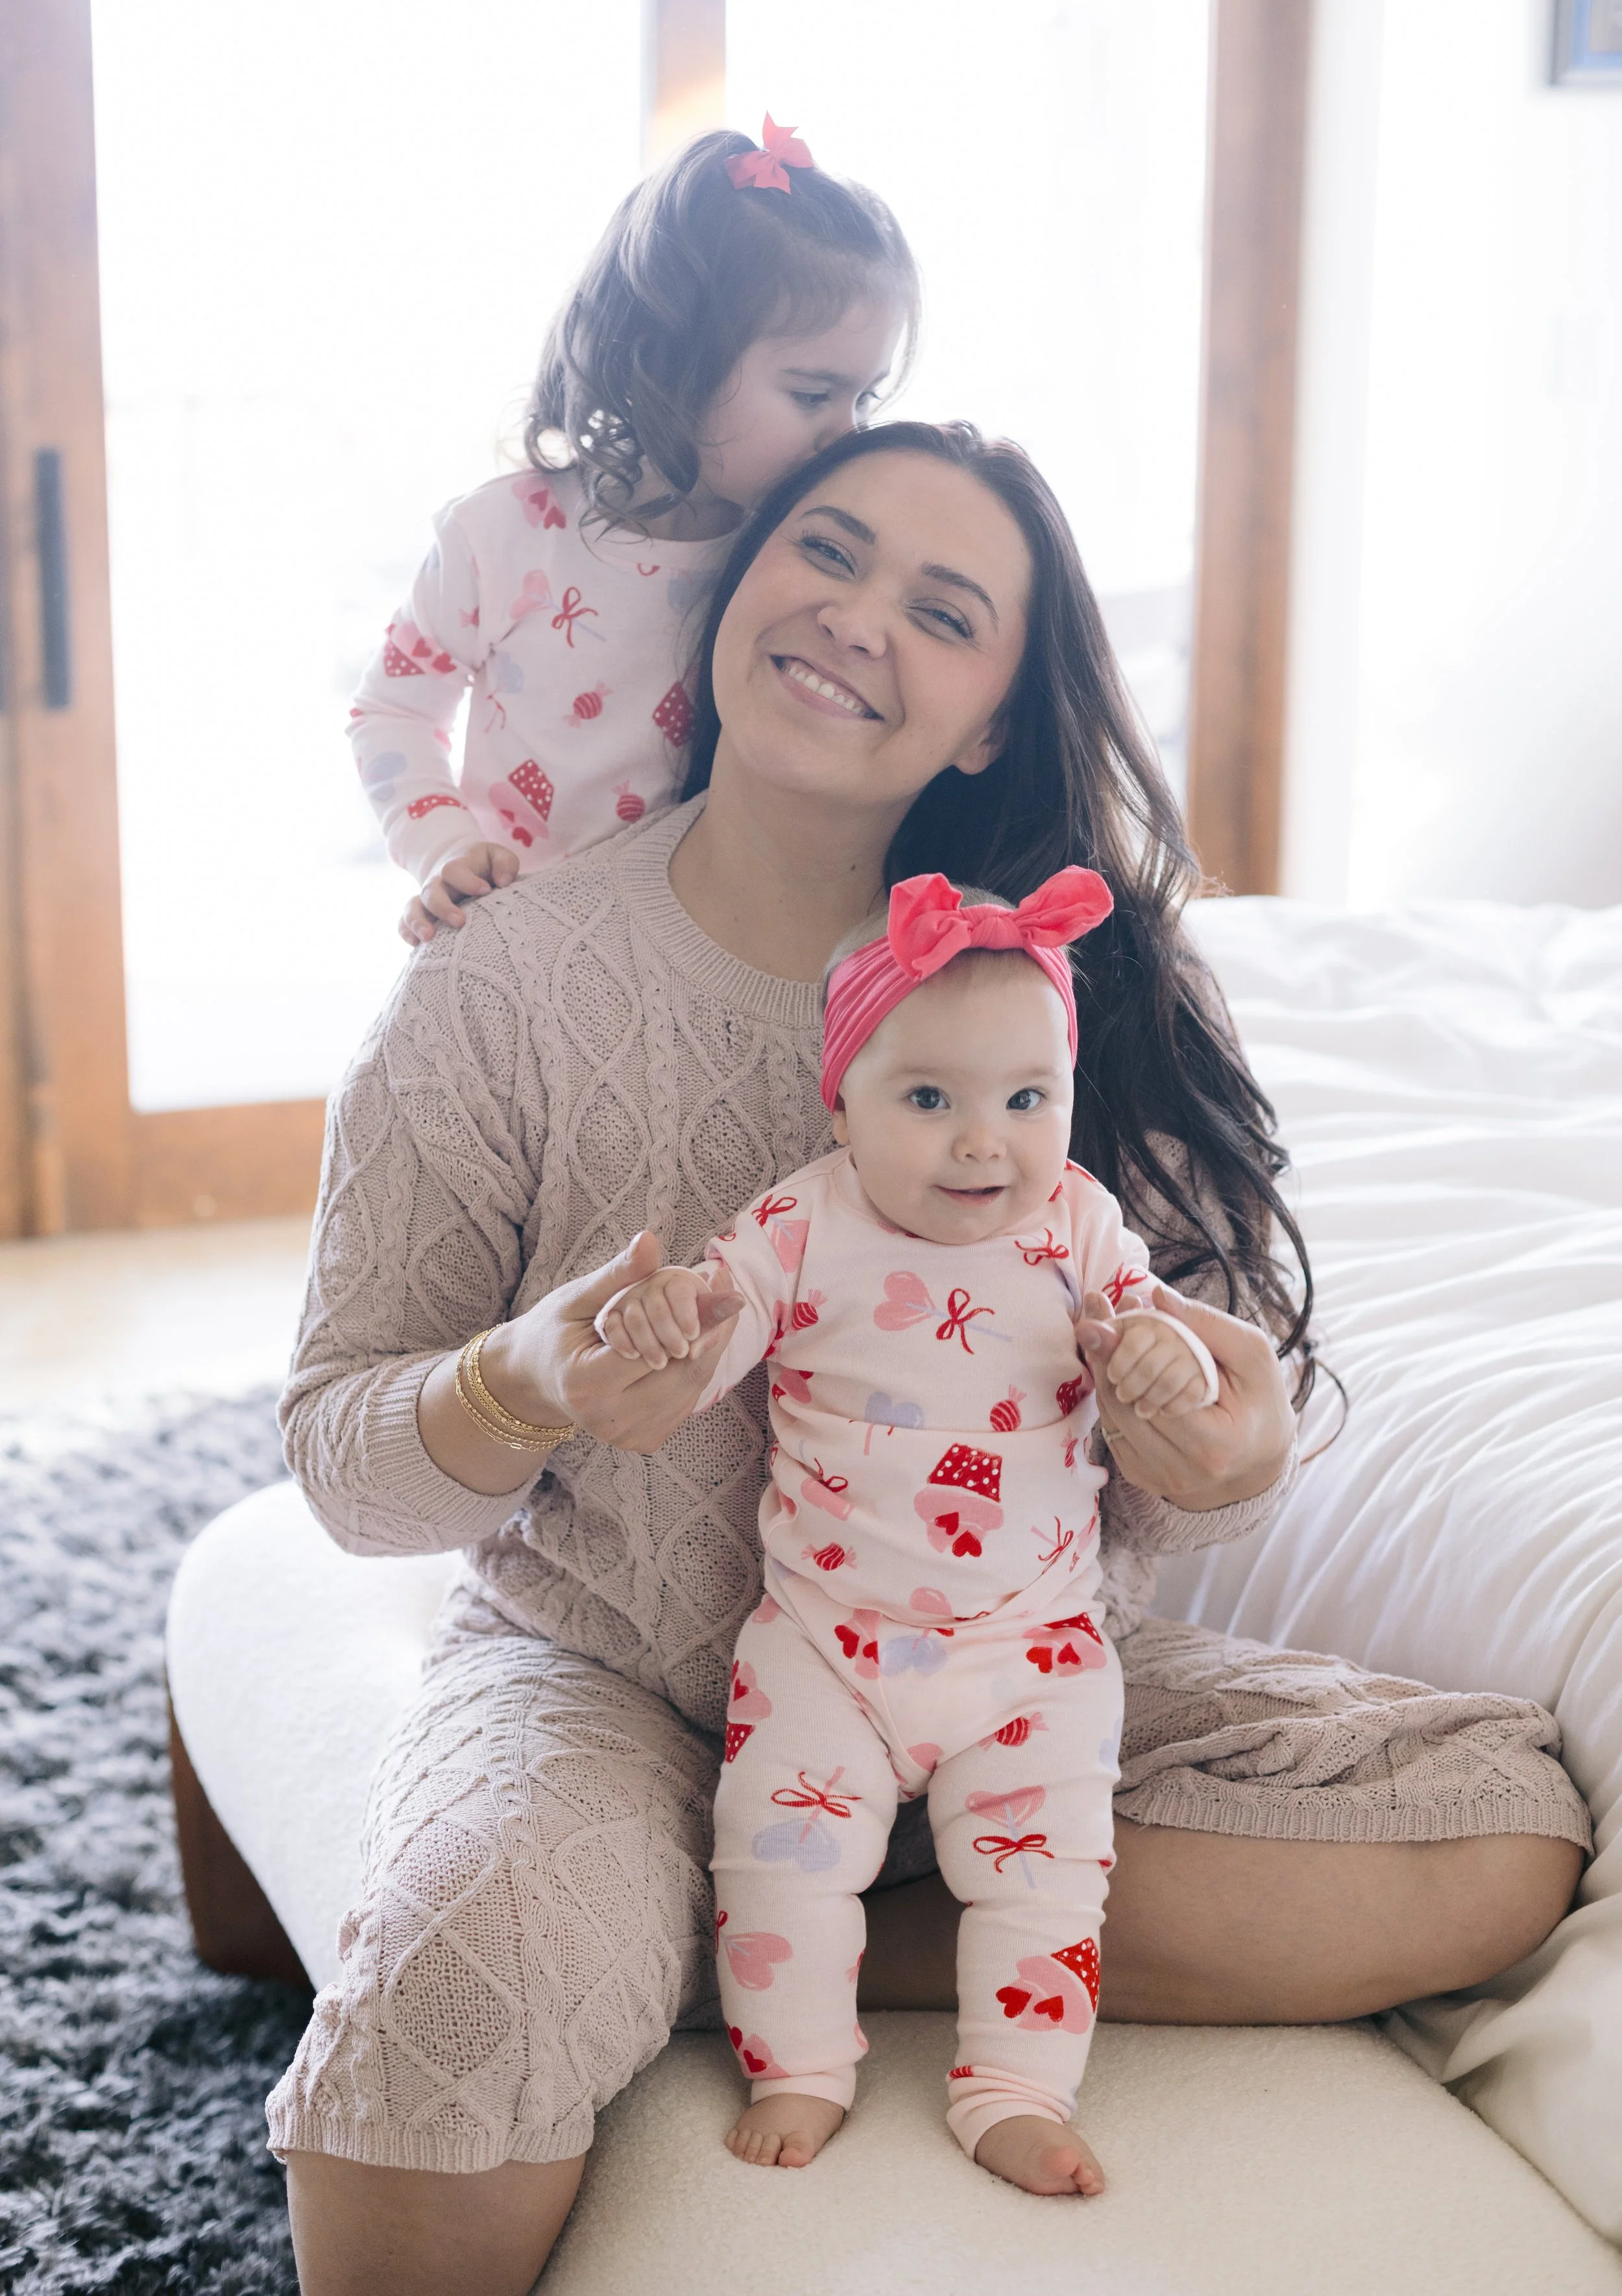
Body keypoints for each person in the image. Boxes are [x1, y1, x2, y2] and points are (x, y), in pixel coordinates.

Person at [268, 422, 1589, 2296]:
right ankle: (703, 1893)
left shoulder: (1090, 1001)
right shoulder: (502, 980)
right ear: (733, 598)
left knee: (1498, 1830)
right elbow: (338, 1456)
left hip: (1013, 1658)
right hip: (615, 1682)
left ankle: (778, 1920)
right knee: (447, 2010)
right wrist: (525, 1382)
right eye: (826, 548)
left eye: (942, 607)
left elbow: (1197, 1438)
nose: (854, 614)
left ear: (987, 718)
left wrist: (1216, 1447)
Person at [596, 865, 1220, 2195]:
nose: (981, 1142)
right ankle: (800, 2065)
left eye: (1024, 1100)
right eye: (927, 1099)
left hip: (1031, 1650)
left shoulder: (1079, 1225)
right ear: (841, 1100)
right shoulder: (799, 1221)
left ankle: (1011, 2089)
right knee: (776, 1856)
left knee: (1048, 1881)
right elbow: (709, 1338)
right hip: (826, 1643)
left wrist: (1160, 1362)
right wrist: (665, 1326)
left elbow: (1149, 1332)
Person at [346, 117, 914, 946]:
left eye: (864, 399)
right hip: (509, 948)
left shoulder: (793, 566)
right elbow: (391, 710)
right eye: (811, 393)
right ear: (671, 360)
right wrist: (444, 847)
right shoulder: (500, 534)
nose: (847, 433)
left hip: (701, 949)